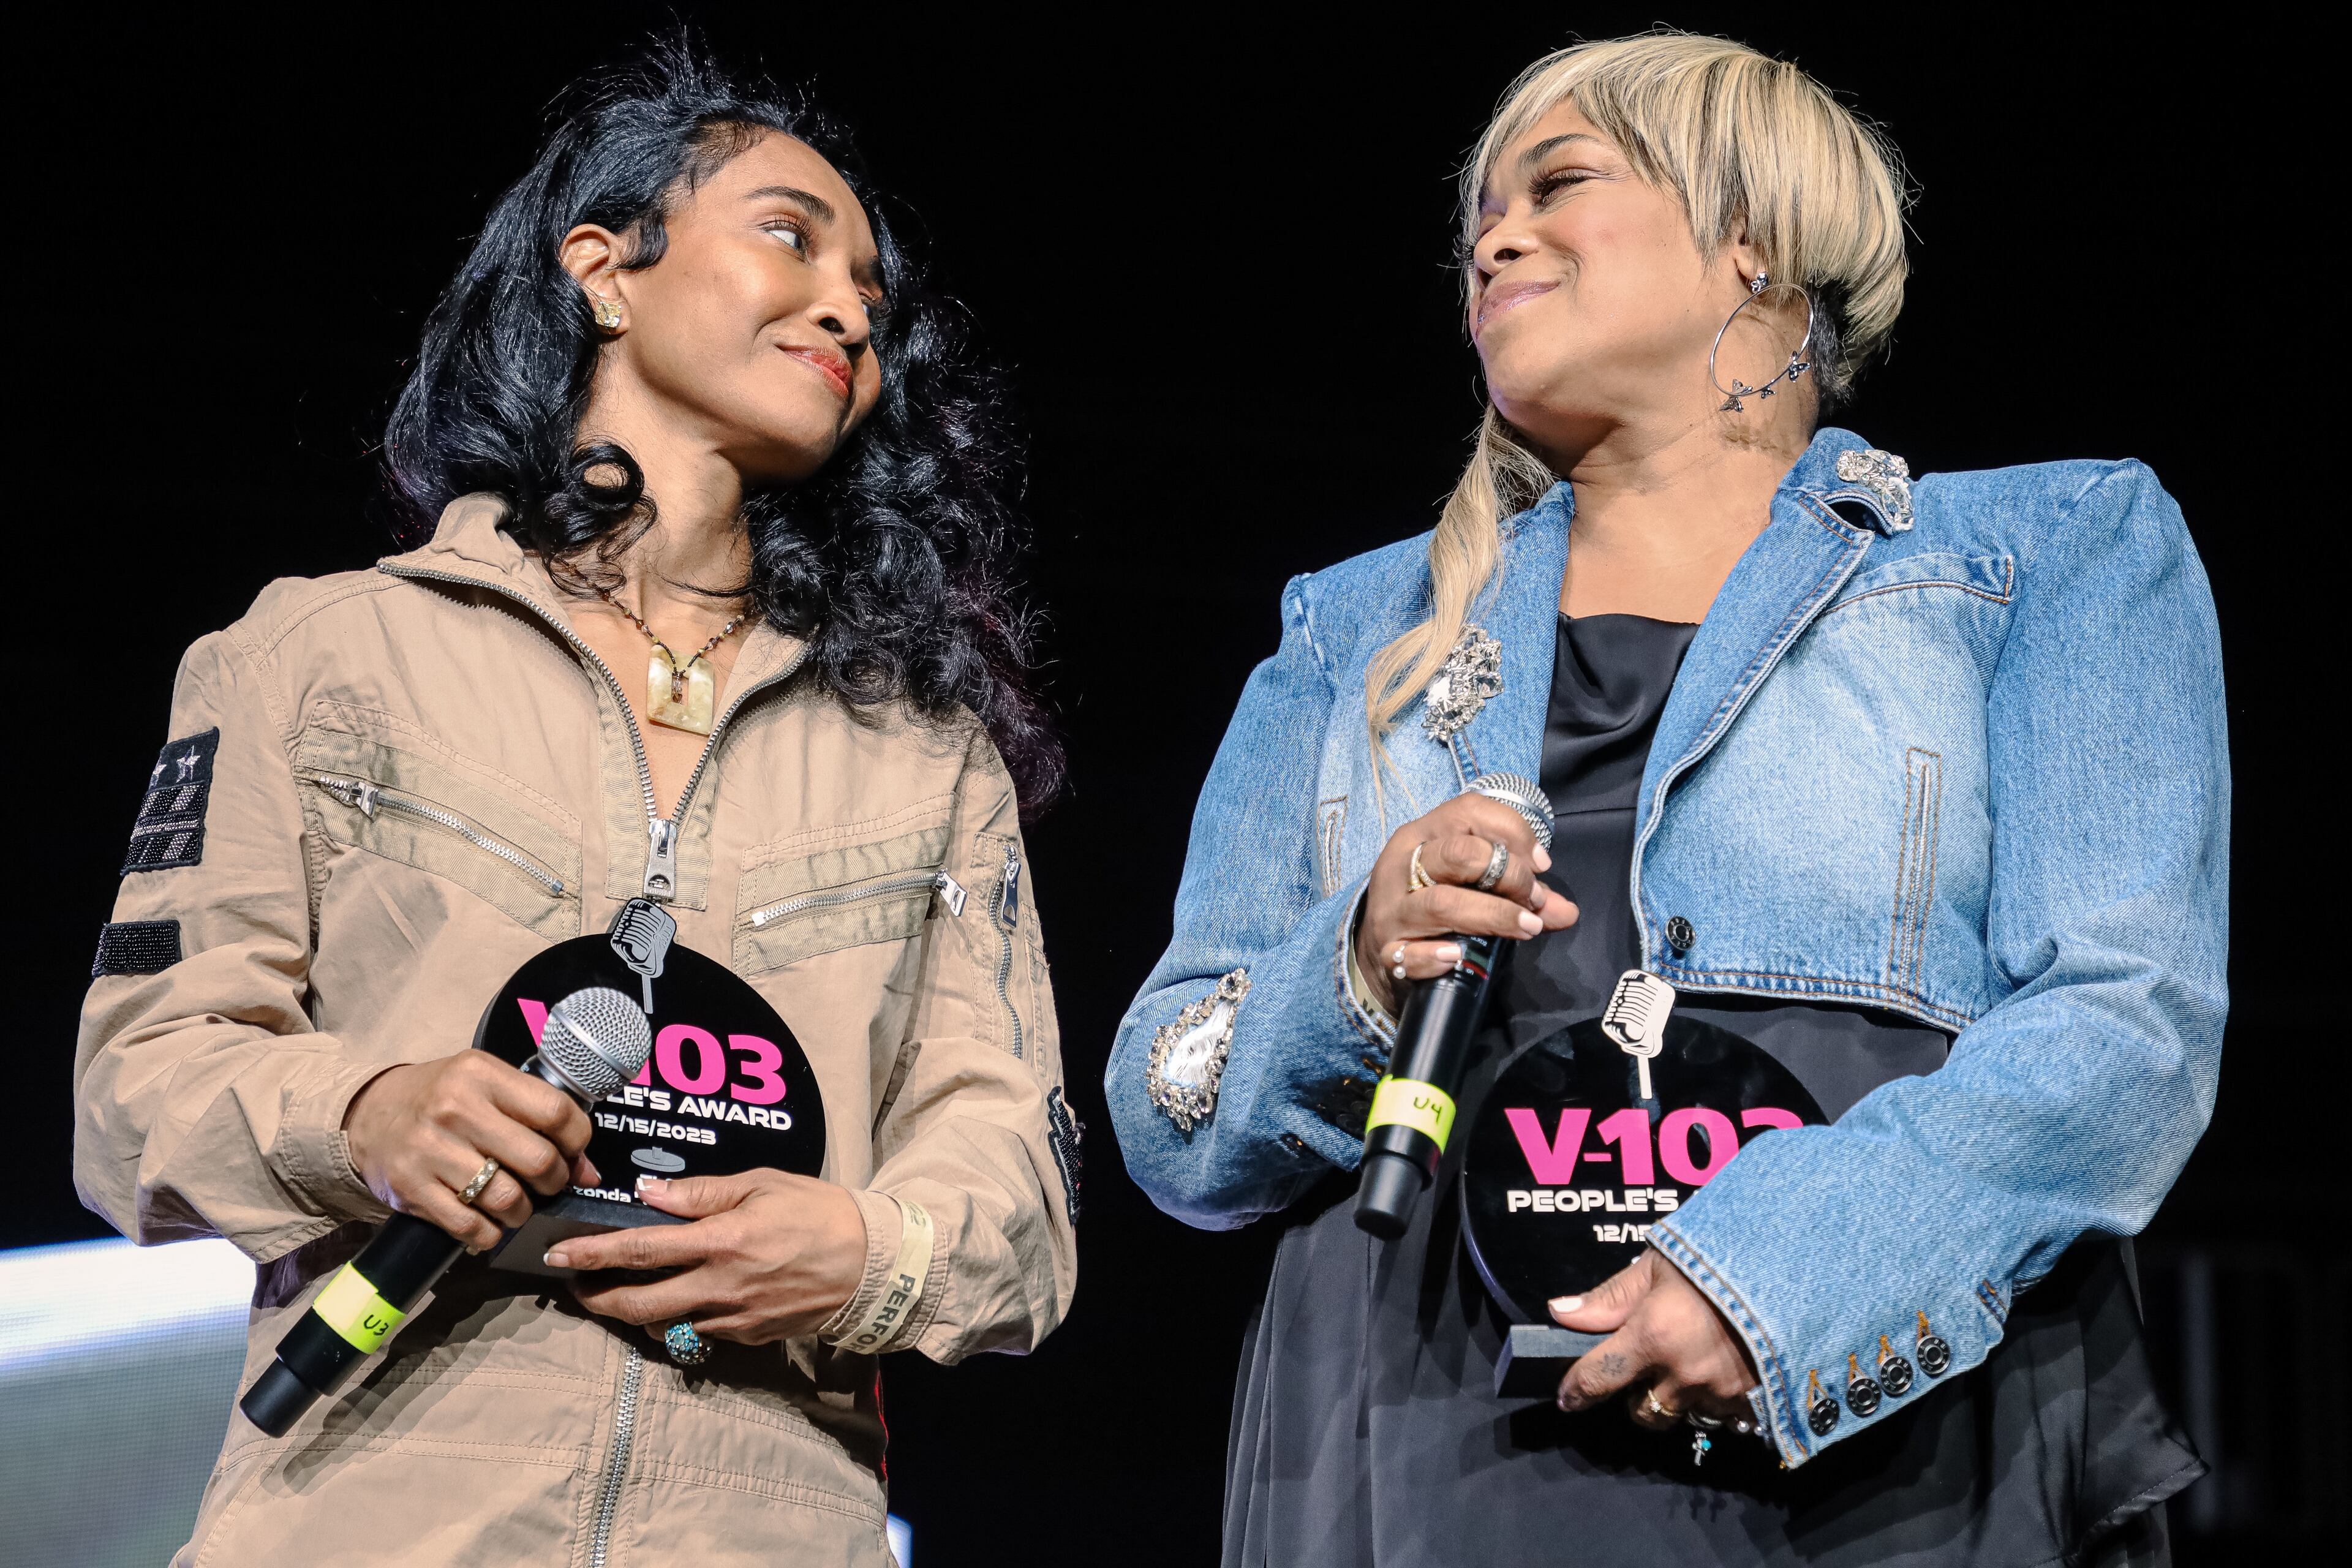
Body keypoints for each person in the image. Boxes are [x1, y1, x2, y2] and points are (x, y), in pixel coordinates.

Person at [1106, 31, 2222, 1567]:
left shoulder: (2049, 545)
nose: (1495, 238)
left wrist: (1778, 1277)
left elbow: (2127, 1021)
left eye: (1559, 183)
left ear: (1752, 238)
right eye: (1477, 221)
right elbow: (1173, 1110)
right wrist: (1356, 958)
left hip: (1886, 1414)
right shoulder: (1352, 627)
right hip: (1427, 1424)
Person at [74, 40, 1076, 1567]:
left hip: (772, 1513)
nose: (850, 308)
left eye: (874, 291)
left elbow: (1014, 1180)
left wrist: (866, 1252)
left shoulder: (927, 756)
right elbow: (135, 1082)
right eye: (791, 236)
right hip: (382, 1504)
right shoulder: (322, 651)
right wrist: (364, 1116)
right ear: (604, 269)